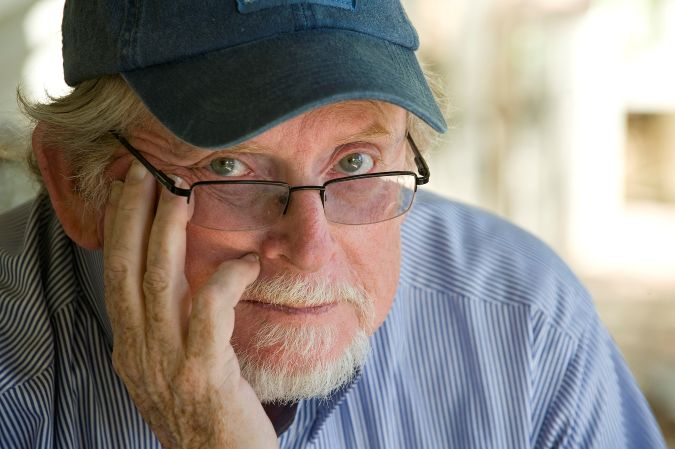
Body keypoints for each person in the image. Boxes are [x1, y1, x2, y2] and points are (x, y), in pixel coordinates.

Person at [0, 0, 667, 448]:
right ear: (74, 185)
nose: (310, 250)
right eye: (230, 166)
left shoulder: (521, 317)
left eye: (355, 161)